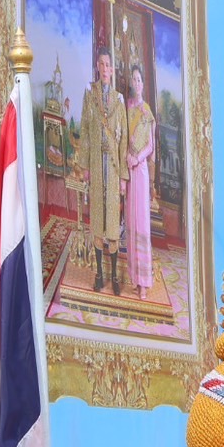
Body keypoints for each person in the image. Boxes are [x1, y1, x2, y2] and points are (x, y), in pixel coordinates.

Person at [82, 46, 127, 294]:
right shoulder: (90, 94)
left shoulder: (119, 100)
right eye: (101, 64)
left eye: (109, 64)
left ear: (113, 68)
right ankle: (99, 274)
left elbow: (123, 138)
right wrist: (87, 165)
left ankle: (114, 276)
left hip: (113, 166)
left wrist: (122, 176)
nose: (105, 69)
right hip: (97, 169)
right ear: (97, 67)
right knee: (97, 220)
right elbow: (87, 130)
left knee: (112, 224)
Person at [123, 64, 157, 300]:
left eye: (138, 78)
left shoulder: (147, 112)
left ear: (143, 84)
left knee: (142, 223)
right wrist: (126, 155)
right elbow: (124, 137)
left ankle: (144, 282)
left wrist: (137, 158)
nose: (136, 82)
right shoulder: (126, 109)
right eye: (133, 79)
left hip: (141, 170)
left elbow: (151, 146)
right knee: (131, 222)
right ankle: (134, 278)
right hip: (129, 170)